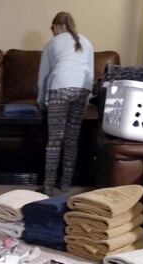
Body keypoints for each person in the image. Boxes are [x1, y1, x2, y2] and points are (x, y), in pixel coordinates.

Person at [37, 11, 94, 195]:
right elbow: (90, 74)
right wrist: (85, 98)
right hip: (81, 90)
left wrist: (41, 101)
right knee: (71, 140)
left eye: (52, 29)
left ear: (57, 27)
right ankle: (65, 185)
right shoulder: (86, 42)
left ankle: (47, 186)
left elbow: (43, 77)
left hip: (60, 89)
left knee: (54, 141)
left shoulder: (52, 43)